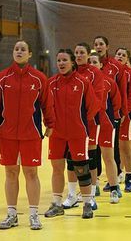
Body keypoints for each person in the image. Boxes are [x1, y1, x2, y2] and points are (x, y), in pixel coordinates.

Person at [0, 40, 55, 230]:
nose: (19, 51)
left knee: (31, 173)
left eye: (23, 49)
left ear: (30, 54)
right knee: (10, 173)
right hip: (7, 134)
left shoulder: (39, 78)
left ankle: (34, 215)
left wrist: (50, 124)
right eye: (16, 49)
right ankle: (11, 215)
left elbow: (47, 104)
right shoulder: (1, 78)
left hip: (31, 134)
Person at [45, 49, 99, 219]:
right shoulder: (51, 83)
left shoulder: (83, 82)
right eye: (58, 60)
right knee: (57, 168)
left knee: (82, 168)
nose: (61, 63)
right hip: (57, 134)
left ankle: (87, 204)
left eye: (64, 60)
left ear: (72, 62)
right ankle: (56, 203)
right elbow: (46, 107)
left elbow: (93, 107)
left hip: (78, 133)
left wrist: (79, 122)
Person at [63, 43, 104, 211]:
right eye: (76, 52)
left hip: (89, 123)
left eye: (82, 53)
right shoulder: (69, 72)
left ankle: (91, 195)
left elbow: (97, 101)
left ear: (88, 55)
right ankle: (72, 195)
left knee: (90, 159)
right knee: (70, 159)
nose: (79, 55)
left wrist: (82, 120)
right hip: (69, 126)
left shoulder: (94, 73)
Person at [94, 36, 127, 194]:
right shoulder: (88, 65)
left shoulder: (116, 66)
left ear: (107, 46)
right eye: (96, 44)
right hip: (93, 117)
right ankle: (96, 180)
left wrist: (122, 112)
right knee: (94, 150)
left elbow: (122, 90)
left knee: (112, 148)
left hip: (112, 113)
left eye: (101, 44)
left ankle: (116, 176)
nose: (98, 46)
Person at [89, 52, 121, 202]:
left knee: (108, 157)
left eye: (95, 62)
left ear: (101, 65)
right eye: (90, 62)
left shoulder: (109, 82)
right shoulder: (83, 81)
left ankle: (114, 188)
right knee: (92, 157)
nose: (92, 64)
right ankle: (94, 186)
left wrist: (112, 119)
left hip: (106, 124)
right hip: (91, 125)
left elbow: (117, 102)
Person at [116, 47, 131, 193]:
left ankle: (129, 178)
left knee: (125, 147)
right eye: (118, 54)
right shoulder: (111, 73)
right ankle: (117, 175)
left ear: (128, 59)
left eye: (123, 55)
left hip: (126, 115)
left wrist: (124, 112)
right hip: (113, 115)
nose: (120, 56)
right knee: (114, 149)